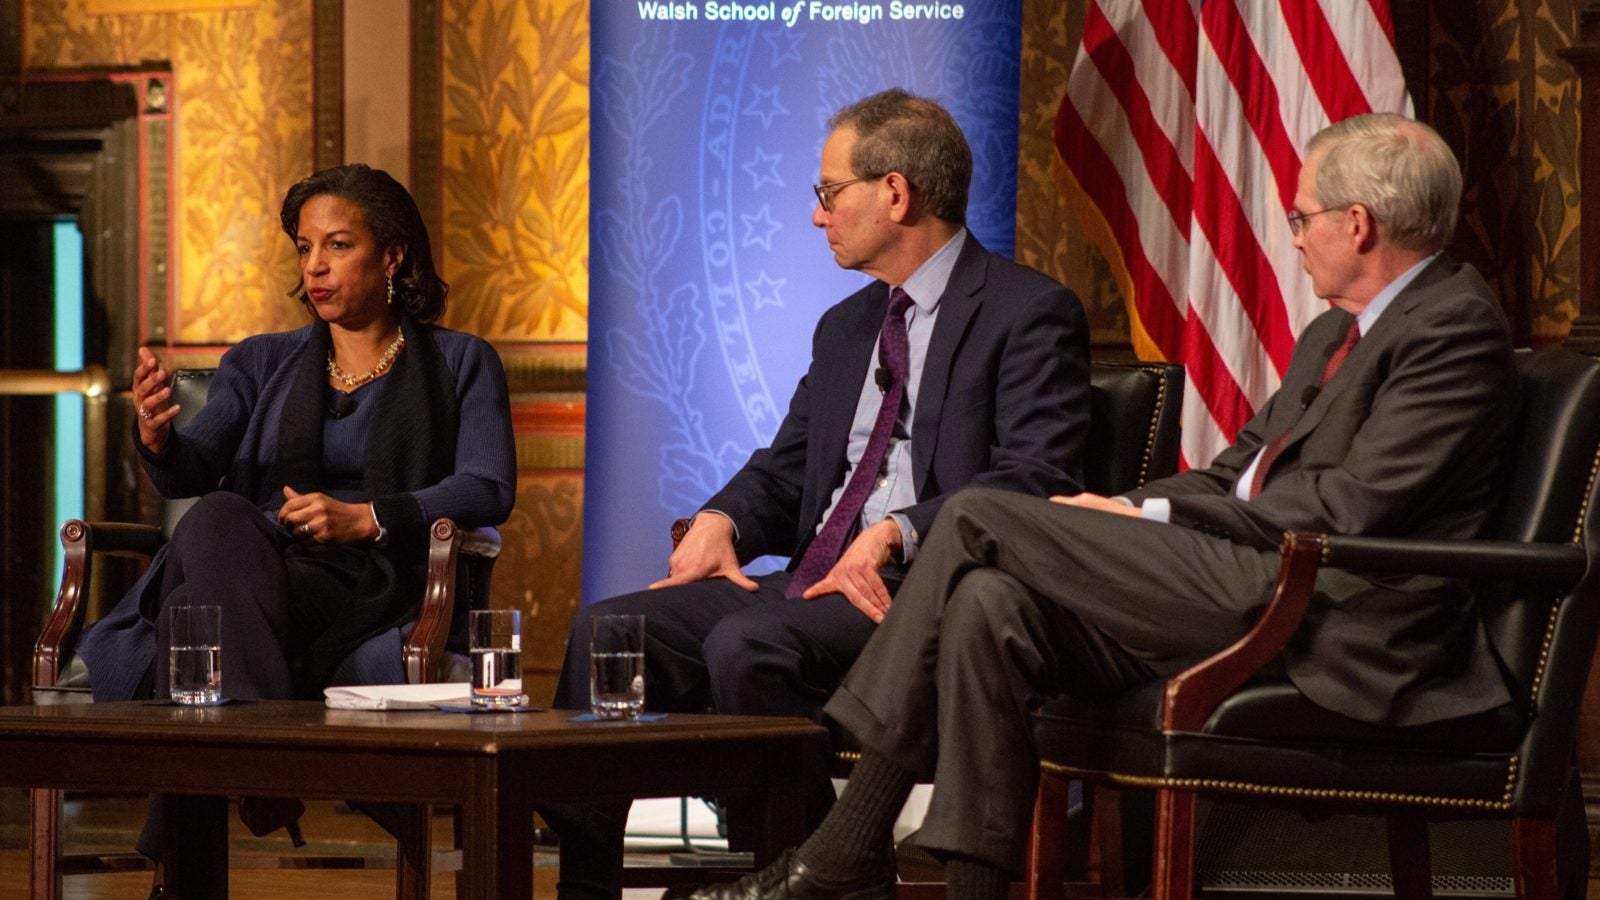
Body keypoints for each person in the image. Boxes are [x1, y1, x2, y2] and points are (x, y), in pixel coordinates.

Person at [679, 112, 1519, 900]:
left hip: (1333, 604)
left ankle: (839, 848)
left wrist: (1154, 524)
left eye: (1302, 220)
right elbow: (1232, 473)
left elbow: (1349, 507)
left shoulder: (1451, 328)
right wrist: (1122, 509)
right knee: (986, 602)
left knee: (976, 519)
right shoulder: (1333, 334)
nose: (1293, 238)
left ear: (1359, 225)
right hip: (1247, 569)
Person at [544, 88, 1091, 899]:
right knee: (609, 631)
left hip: (930, 587)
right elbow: (791, 464)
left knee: (750, 646)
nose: (817, 216)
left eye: (829, 193)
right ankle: (586, 889)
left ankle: (814, 878)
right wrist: (721, 518)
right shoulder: (846, 325)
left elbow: (1036, 476)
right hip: (816, 579)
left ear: (895, 193)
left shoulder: (1028, 311)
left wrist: (901, 530)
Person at [76, 163, 517, 843]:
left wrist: (366, 517)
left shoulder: (460, 361)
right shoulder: (258, 361)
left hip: (373, 580)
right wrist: (156, 436)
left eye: (338, 246)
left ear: (393, 254)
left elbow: (488, 486)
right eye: (306, 248)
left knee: (193, 612)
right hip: (258, 564)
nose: (317, 267)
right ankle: (265, 766)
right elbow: (192, 470)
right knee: (219, 518)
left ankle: (186, 860)